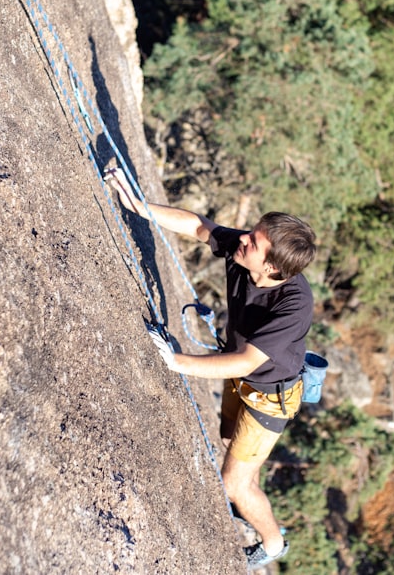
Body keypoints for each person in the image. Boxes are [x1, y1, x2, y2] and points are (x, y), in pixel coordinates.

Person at [105, 167, 316, 569]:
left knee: (234, 485)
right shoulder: (245, 254)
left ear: (272, 268)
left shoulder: (293, 305)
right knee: (227, 440)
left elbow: (247, 360)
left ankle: (273, 544)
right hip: (241, 381)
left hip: (268, 398)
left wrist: (176, 362)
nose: (242, 238)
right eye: (251, 232)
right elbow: (201, 227)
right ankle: (249, 486)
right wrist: (138, 206)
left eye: (253, 241)